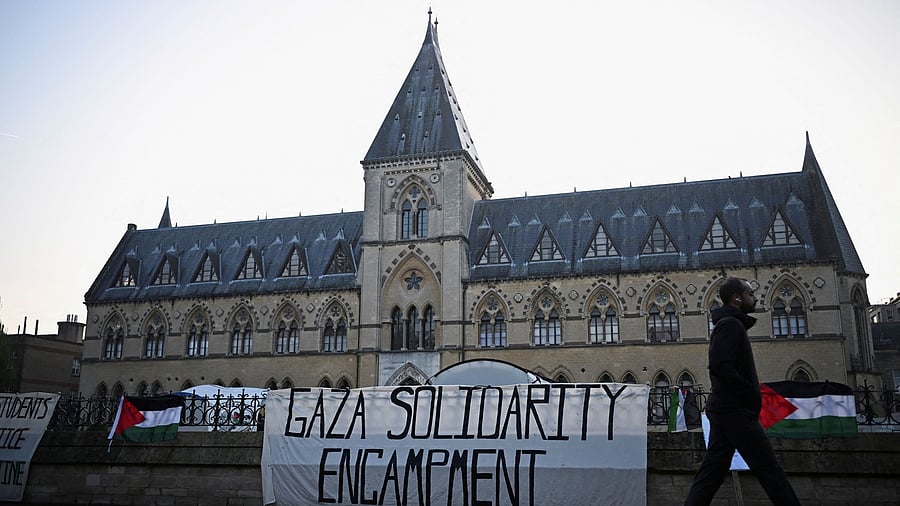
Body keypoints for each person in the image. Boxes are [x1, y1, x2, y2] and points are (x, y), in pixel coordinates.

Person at [685, 278, 800, 505]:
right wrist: (747, 392)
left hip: (726, 409)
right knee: (770, 470)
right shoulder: (730, 325)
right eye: (750, 293)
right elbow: (720, 365)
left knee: (712, 473)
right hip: (735, 411)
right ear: (737, 298)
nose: (754, 297)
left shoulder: (729, 323)